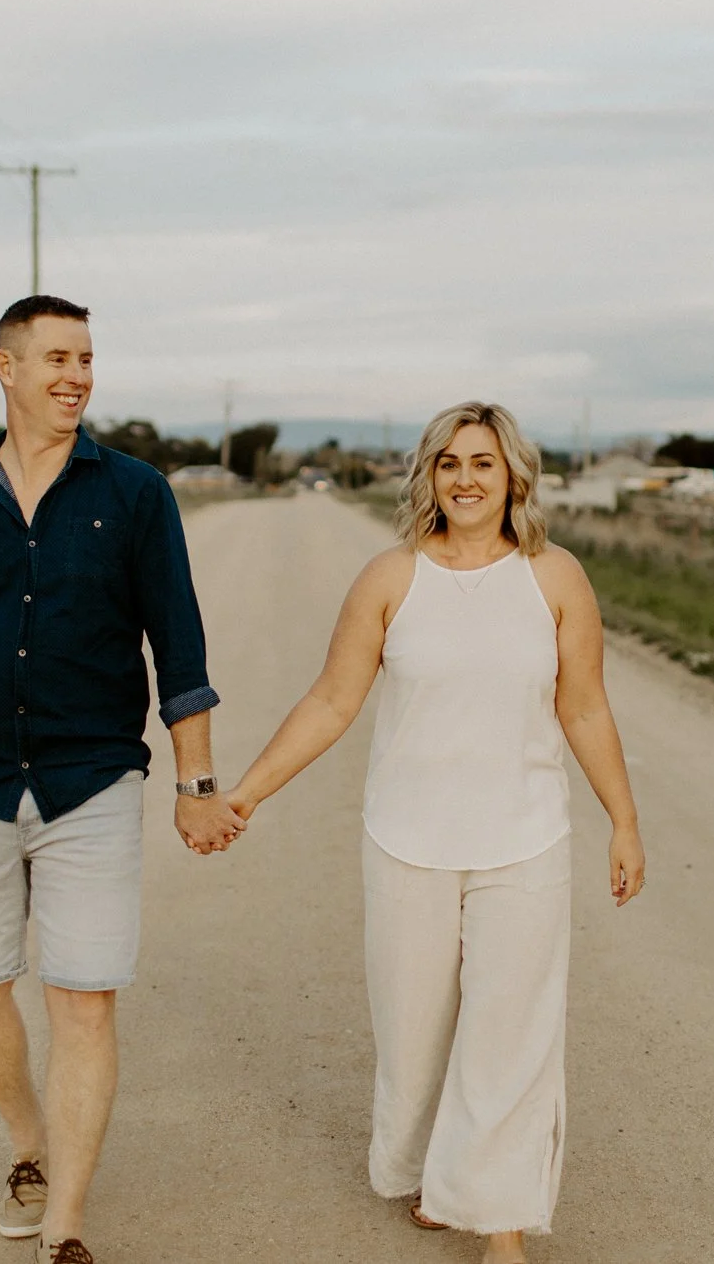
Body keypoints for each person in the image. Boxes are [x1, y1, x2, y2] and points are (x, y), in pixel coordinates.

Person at [0, 295, 245, 1264]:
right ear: (6, 367)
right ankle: (30, 1140)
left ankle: (64, 1221)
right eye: (58, 358)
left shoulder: (136, 494)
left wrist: (195, 785)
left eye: (87, 359)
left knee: (83, 998)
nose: (77, 376)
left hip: (91, 782)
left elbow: (178, 647)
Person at [224, 400, 646, 1264]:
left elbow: (584, 706)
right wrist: (247, 794)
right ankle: (433, 1173)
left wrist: (624, 820)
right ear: (428, 475)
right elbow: (332, 701)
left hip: (524, 839)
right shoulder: (391, 577)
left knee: (511, 1031)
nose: (465, 478)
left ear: (513, 474)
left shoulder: (555, 577)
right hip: (407, 838)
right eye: (449, 463)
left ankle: (502, 1225)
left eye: (483, 462)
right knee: (412, 1034)